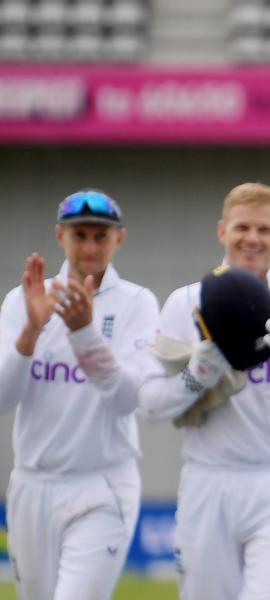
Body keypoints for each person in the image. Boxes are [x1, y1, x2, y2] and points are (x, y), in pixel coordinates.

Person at [138, 182, 270, 600]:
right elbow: (149, 406)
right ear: (222, 231)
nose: (252, 239)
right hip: (207, 479)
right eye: (242, 228)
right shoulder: (187, 303)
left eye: (265, 230)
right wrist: (194, 376)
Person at [0, 190, 159, 599]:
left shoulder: (137, 303)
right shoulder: (24, 300)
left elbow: (128, 399)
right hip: (32, 485)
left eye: (100, 236)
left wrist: (85, 333)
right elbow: (3, 399)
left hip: (102, 485)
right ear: (60, 237)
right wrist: (31, 331)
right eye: (80, 235)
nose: (90, 246)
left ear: (118, 239)